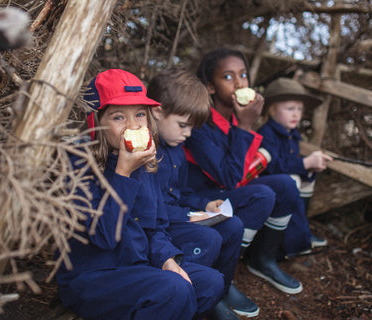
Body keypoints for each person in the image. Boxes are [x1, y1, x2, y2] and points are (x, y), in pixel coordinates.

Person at [55, 69, 224, 320]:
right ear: (95, 122)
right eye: (119, 117)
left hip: (137, 265)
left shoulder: (145, 163)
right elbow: (104, 237)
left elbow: (155, 227)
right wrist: (123, 173)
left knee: (211, 282)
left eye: (140, 114)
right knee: (174, 290)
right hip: (94, 275)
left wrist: (166, 260)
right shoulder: (78, 164)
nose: (133, 125)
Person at [184, 47, 304, 294]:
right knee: (263, 195)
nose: (239, 83)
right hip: (201, 199)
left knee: (286, 185)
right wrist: (247, 125)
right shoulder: (200, 125)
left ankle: (262, 259)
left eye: (243, 76)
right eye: (228, 77)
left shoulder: (236, 119)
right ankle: (224, 272)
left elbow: (241, 172)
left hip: (227, 190)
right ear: (210, 87)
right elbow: (228, 177)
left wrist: (244, 124)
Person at [147, 67, 259, 319]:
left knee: (232, 225)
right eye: (183, 125)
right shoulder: (147, 153)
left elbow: (181, 191)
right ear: (157, 111)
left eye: (191, 128)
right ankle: (196, 295)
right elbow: (150, 210)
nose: (187, 134)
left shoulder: (176, 148)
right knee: (209, 239)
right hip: (158, 226)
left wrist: (204, 204)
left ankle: (219, 291)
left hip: (175, 216)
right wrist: (188, 215)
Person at [258, 77, 333, 257]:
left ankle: (302, 233)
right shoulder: (266, 134)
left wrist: (310, 166)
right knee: (294, 180)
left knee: (307, 179)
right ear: (273, 110)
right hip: (265, 183)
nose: (296, 114)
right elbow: (273, 166)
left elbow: (289, 162)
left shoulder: (291, 135)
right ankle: (290, 243)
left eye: (299, 109)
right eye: (290, 109)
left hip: (282, 181)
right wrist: (305, 163)